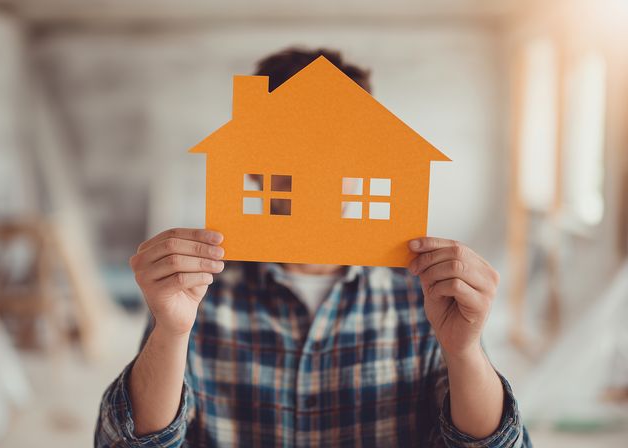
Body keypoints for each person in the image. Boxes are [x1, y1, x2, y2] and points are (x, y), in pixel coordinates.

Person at [95, 48, 531, 447]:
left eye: (334, 149)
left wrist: (465, 350)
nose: (311, 180)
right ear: (248, 165)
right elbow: (126, 442)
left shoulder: (425, 293)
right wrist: (171, 333)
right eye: (286, 151)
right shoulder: (196, 291)